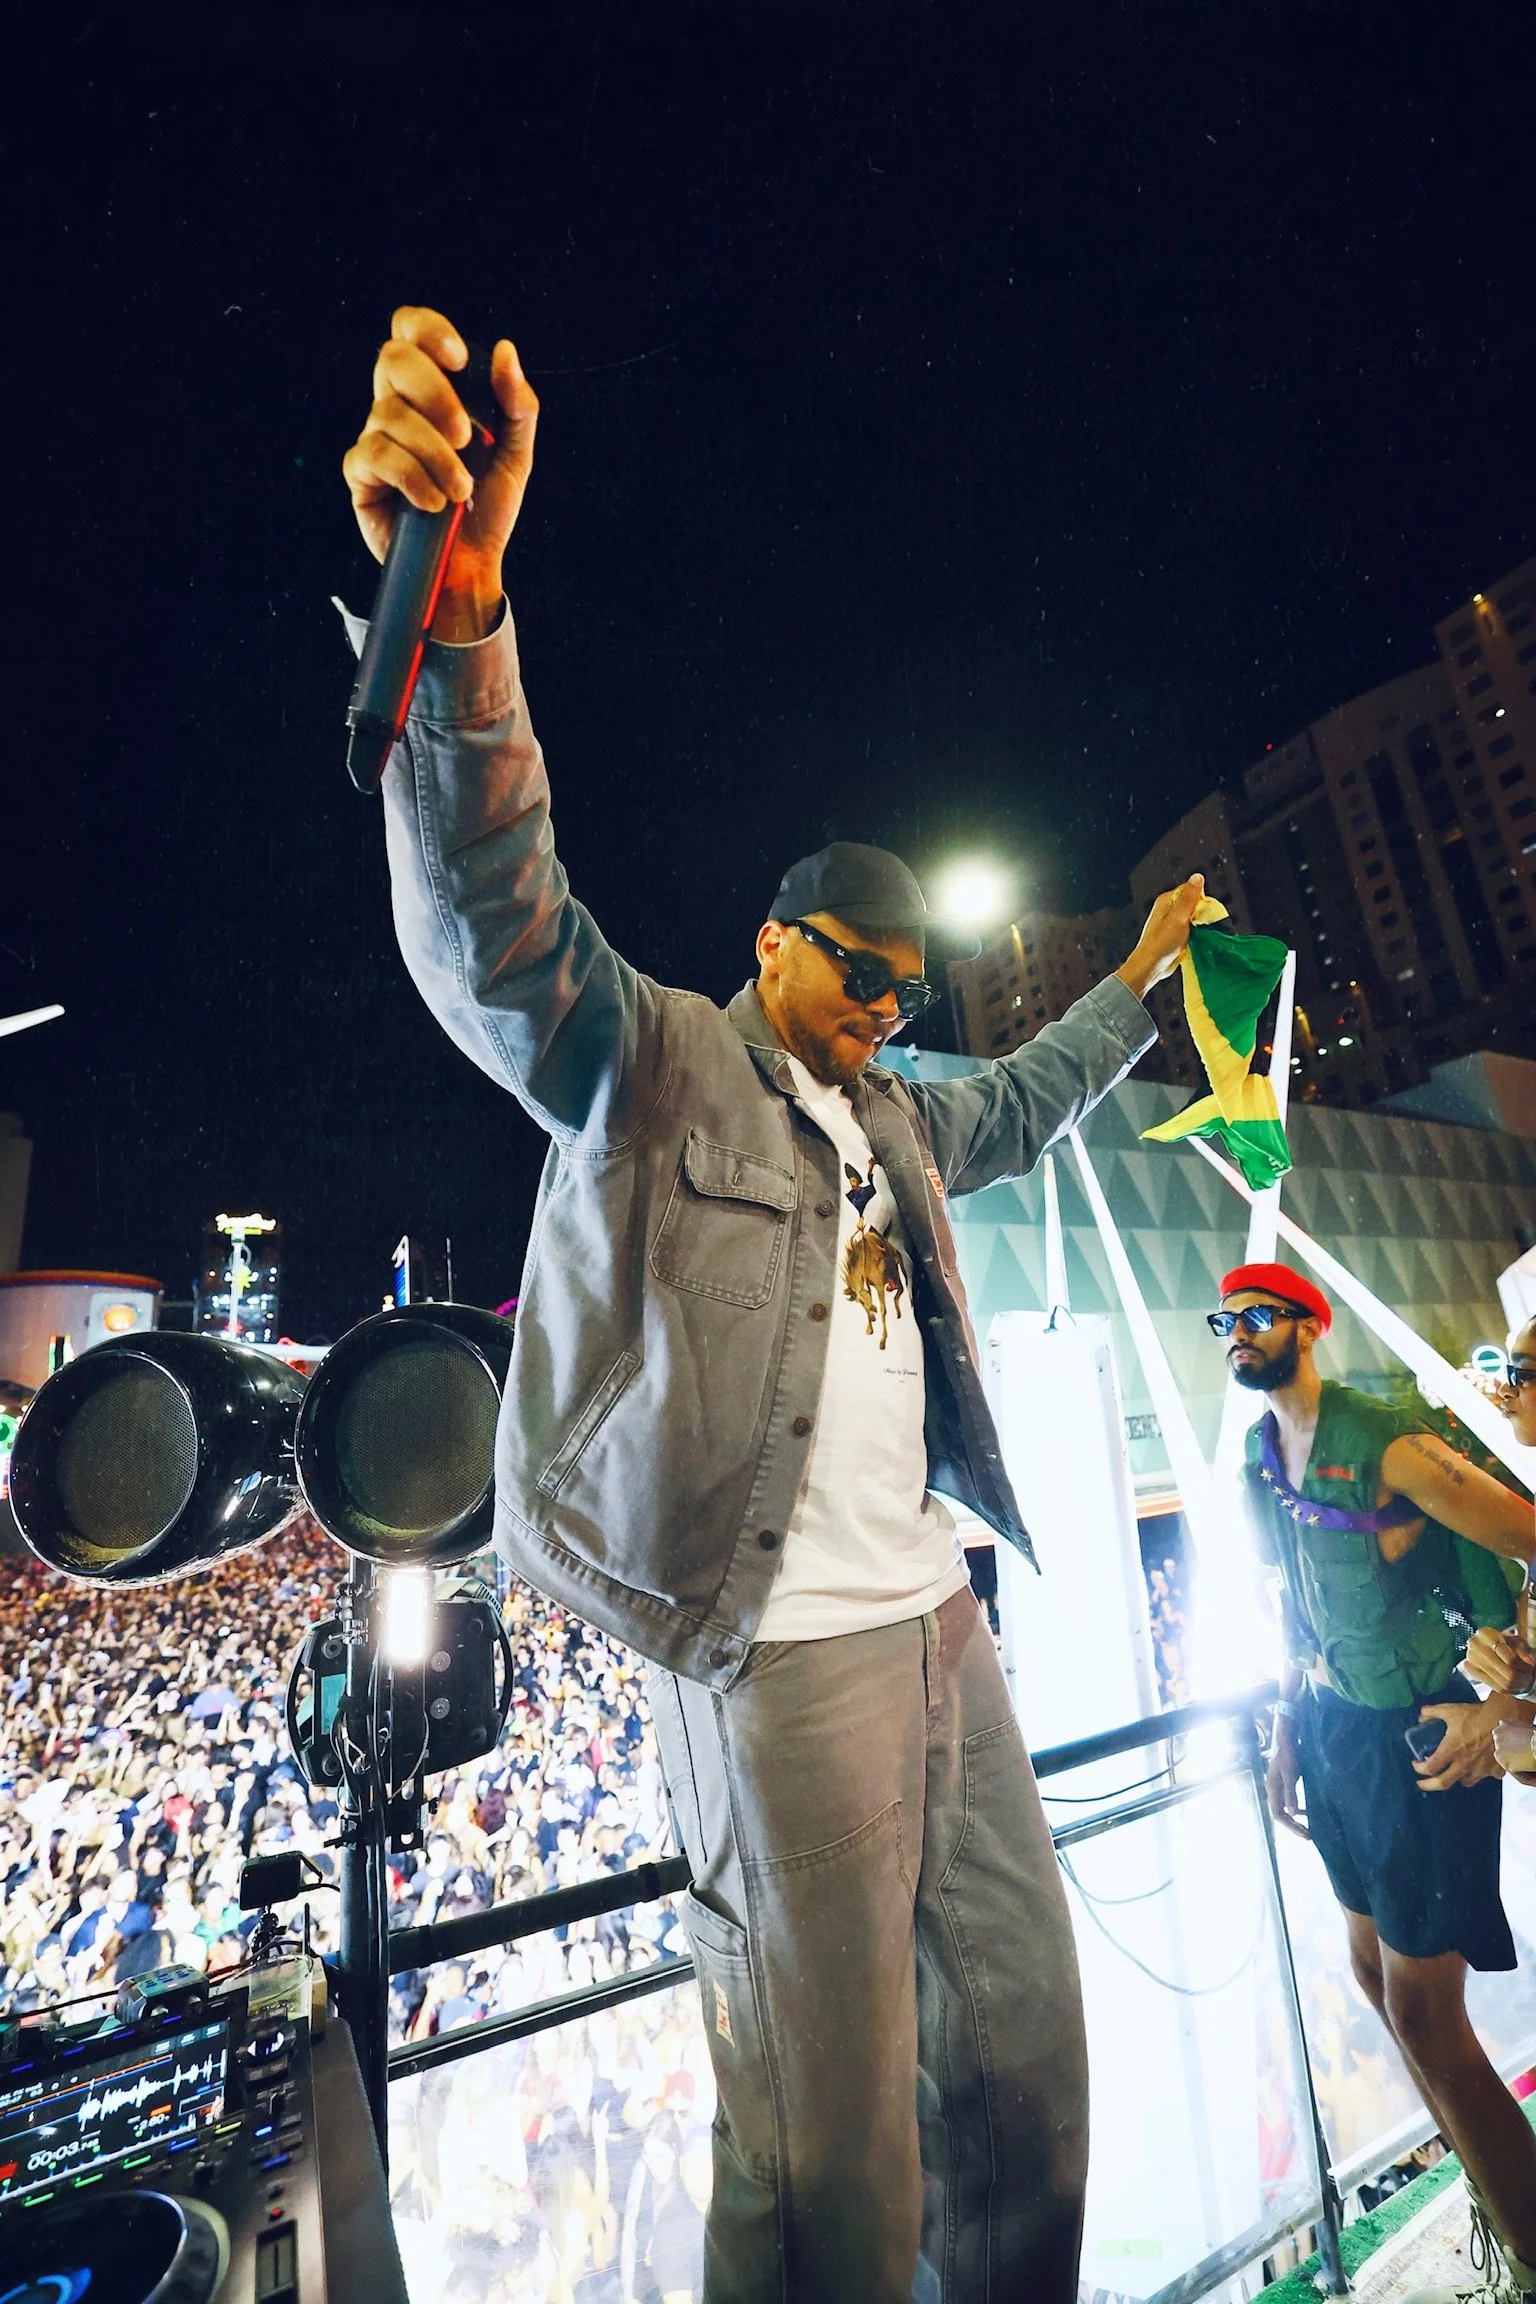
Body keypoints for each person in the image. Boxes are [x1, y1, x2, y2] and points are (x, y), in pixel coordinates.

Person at [341, 305, 1203, 2302]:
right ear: (770, 938)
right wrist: (464, 637)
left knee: (1029, 2084)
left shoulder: (900, 1113)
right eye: (854, 966)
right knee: (836, 2173)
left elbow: (1039, 1095)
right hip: (776, 1657)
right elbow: (496, 919)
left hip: (937, 1623)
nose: (889, 1000)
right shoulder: (650, 1063)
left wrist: (1148, 970)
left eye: (908, 980)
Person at [1211, 1263, 1536, 2298]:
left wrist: (1507, 1708)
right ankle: (1498, 2204)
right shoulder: (1266, 1457)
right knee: (1376, 1988)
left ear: (1311, 1325)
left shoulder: (1388, 1443)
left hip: (1417, 1740)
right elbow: (1290, 1600)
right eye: (1224, 1320)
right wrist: (1281, 1733)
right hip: (1331, 1726)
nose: (1235, 1332)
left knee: (1429, 2018)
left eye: (1256, 1315)